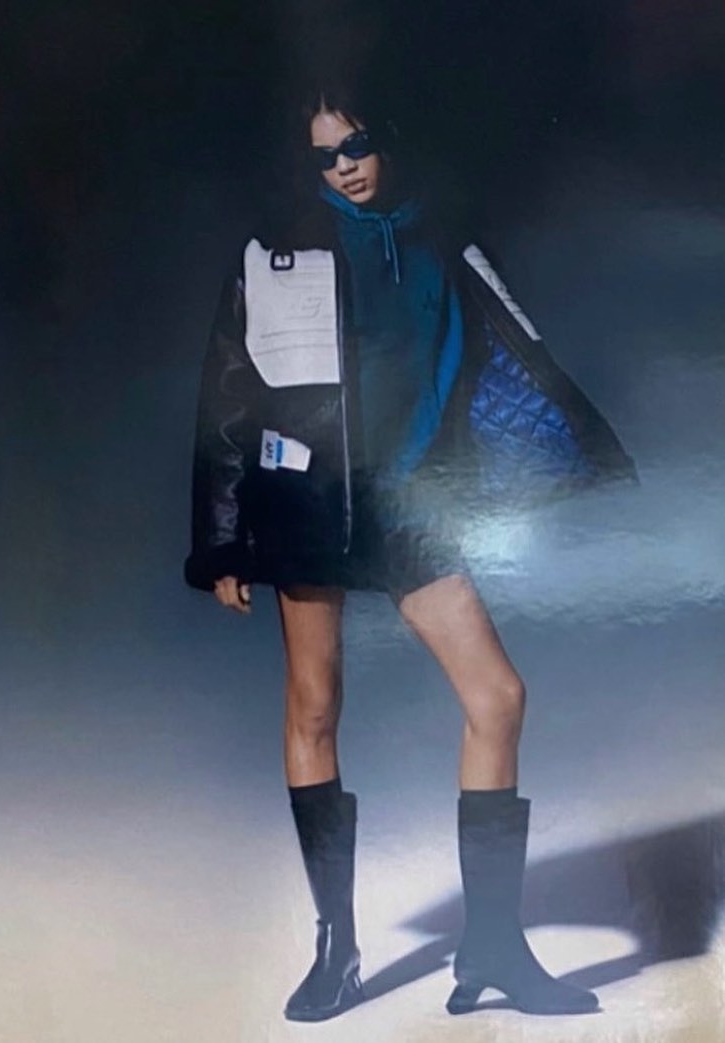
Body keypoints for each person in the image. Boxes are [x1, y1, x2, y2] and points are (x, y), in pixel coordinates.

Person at [184, 82, 637, 1022]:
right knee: (313, 704)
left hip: (408, 503)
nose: (344, 167)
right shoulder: (279, 251)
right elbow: (229, 389)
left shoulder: (441, 235)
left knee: (496, 696)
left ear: (385, 139)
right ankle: (337, 947)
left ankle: (491, 946)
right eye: (324, 156)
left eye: (356, 145)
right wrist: (222, 539)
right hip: (310, 497)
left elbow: (503, 353)